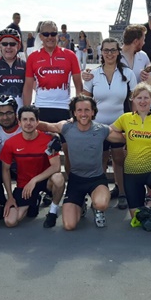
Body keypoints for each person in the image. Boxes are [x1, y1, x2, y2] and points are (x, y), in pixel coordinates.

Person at [39, 96, 126, 230]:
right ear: (74, 112)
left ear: (93, 112)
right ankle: (81, 205)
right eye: (79, 110)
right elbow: (46, 126)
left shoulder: (102, 129)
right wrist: (21, 120)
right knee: (69, 225)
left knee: (101, 204)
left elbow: (124, 138)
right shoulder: (67, 127)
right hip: (76, 181)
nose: (83, 114)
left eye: (87, 110)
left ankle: (96, 208)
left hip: (96, 180)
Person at [111, 83, 151, 236]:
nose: (143, 101)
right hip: (132, 172)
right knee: (136, 219)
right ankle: (150, 205)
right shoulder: (125, 118)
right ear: (133, 99)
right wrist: (123, 138)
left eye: (146, 98)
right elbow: (109, 132)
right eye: (139, 98)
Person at [82, 37, 137, 210]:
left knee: (119, 159)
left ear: (118, 52)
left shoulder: (128, 74)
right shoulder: (93, 74)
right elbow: (84, 100)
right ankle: (99, 193)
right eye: (106, 50)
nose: (110, 54)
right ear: (101, 52)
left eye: (113, 50)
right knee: (101, 161)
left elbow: (134, 100)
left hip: (119, 124)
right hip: (97, 126)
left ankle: (121, 191)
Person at [23, 20, 83, 177]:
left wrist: (79, 110)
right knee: (43, 151)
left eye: (53, 34)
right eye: (46, 34)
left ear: (59, 35)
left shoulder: (70, 55)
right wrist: (25, 110)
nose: (50, 37)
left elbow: (78, 85)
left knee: (70, 151)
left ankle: (73, 187)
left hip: (64, 109)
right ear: (40, 37)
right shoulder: (33, 57)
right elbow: (28, 86)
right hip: (42, 108)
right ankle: (47, 188)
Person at [0, 105, 65, 229]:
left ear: (37, 122)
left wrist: (34, 180)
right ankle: (34, 200)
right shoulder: (11, 143)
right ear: (19, 122)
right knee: (11, 221)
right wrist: (10, 197)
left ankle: (53, 210)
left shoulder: (48, 140)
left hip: (45, 181)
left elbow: (56, 167)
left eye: (31, 119)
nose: (28, 123)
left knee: (58, 178)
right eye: (25, 120)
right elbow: (5, 170)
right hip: (24, 185)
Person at [0, 95, 23, 215]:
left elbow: (46, 128)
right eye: (1, 114)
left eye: (9, 113)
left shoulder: (25, 125)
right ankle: (2, 203)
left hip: (22, 166)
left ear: (16, 113)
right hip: (3, 165)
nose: (5, 117)